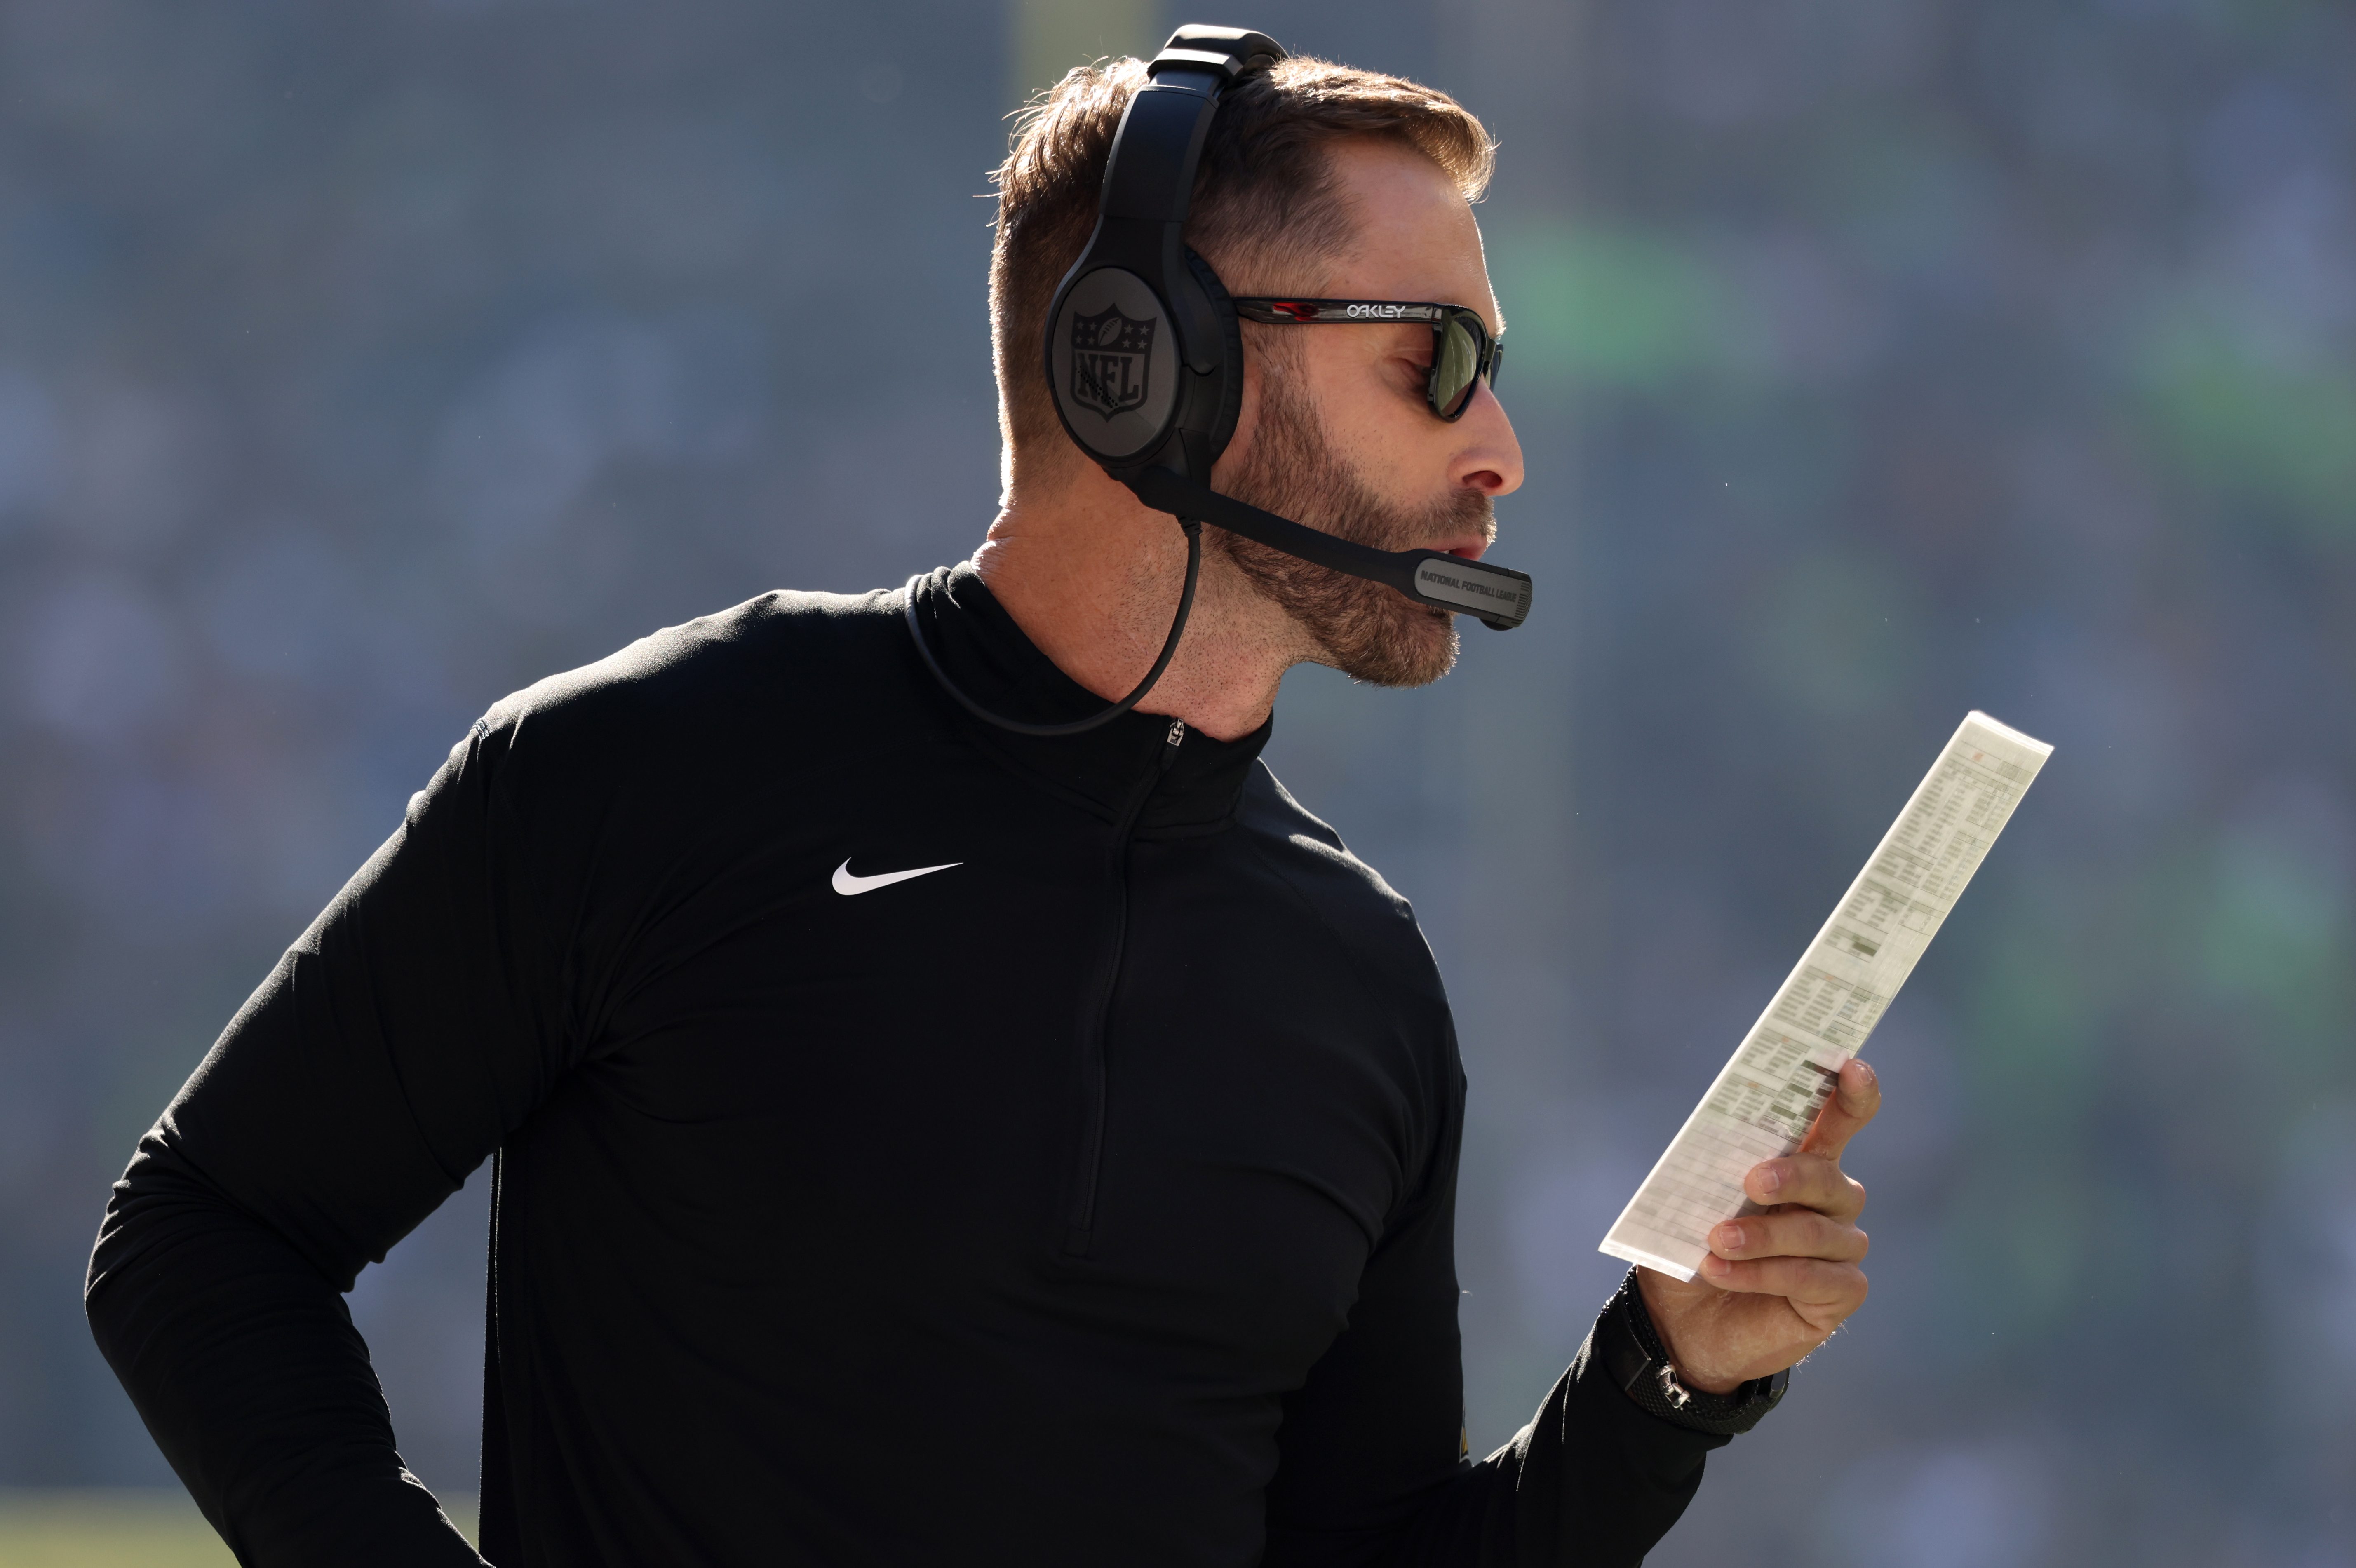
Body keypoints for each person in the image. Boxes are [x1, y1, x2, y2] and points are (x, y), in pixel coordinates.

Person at [86, 44, 1877, 1568]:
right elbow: (203, 1238)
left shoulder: (1358, 973)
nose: (1500, 454)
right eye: (1437, 359)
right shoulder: (655, 766)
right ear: (1142, 361)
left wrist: (1667, 1375)